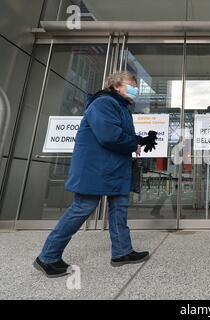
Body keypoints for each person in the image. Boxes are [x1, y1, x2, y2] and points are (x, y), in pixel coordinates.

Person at [34, 71, 157, 278]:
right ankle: (48, 257)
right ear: (117, 86)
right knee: (82, 207)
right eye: (131, 84)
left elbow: (120, 134)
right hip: (97, 169)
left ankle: (122, 252)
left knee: (119, 208)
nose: (135, 88)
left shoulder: (121, 107)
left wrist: (138, 140)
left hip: (114, 168)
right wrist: (135, 142)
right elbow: (110, 136)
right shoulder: (104, 103)